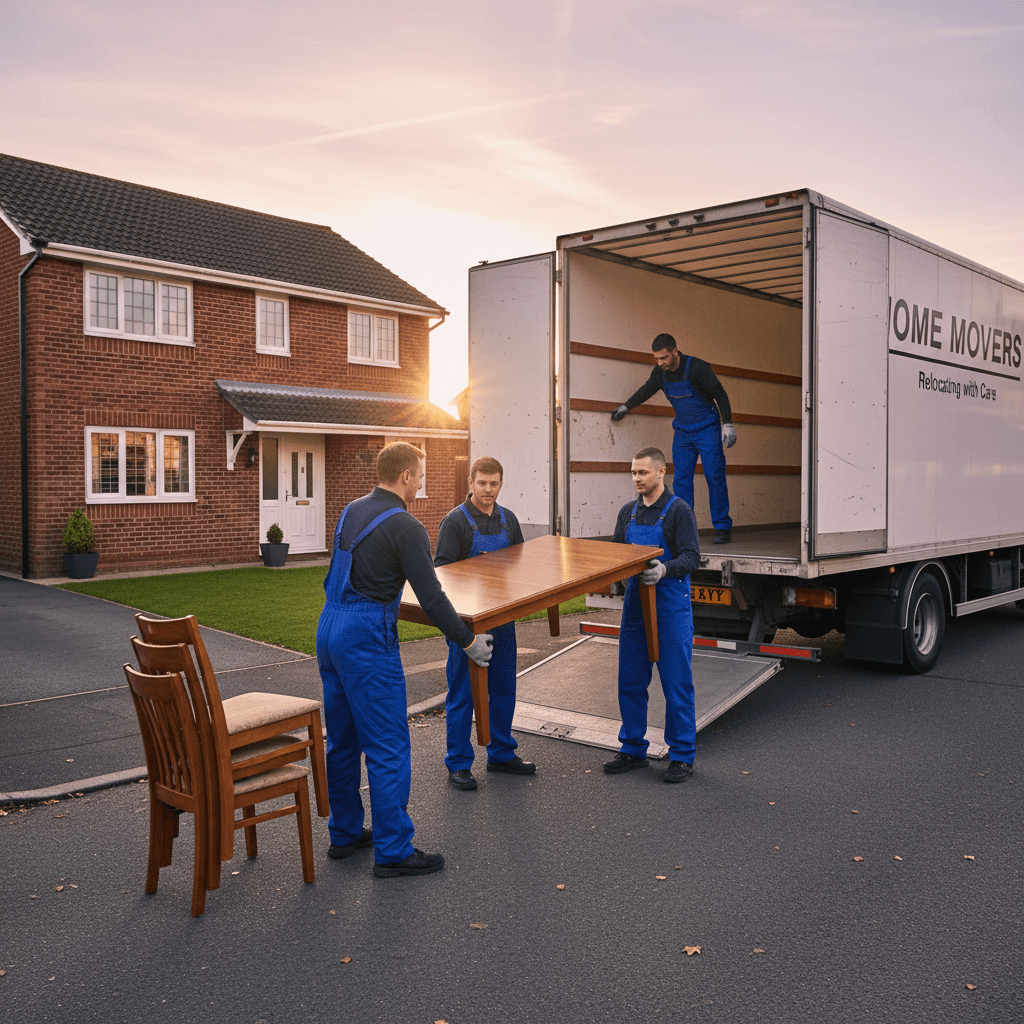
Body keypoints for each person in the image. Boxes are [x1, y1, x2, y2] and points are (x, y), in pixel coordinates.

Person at [316, 442, 493, 878]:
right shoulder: (407, 526)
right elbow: (431, 597)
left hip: (330, 628)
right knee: (388, 745)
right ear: (407, 476)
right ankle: (393, 850)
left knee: (342, 739)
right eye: (422, 475)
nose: (423, 483)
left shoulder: (350, 511)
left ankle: (344, 834)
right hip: (366, 639)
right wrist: (468, 641)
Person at [434, 456, 534, 790]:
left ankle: (502, 754)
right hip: (467, 625)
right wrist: (461, 630)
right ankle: (459, 764)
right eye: (482, 483)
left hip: (502, 619)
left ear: (501, 484)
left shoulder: (509, 520)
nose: (487, 490)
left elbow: (522, 565)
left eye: (493, 484)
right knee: (463, 692)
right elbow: (443, 576)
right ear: (470, 482)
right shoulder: (456, 522)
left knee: (504, 687)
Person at [603, 447, 701, 783]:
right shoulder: (627, 512)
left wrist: (664, 569)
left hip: (669, 605)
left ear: (661, 472)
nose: (636, 479)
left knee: (676, 684)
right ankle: (632, 748)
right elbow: (617, 553)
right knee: (630, 680)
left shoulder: (679, 511)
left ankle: (682, 756)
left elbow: (692, 557)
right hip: (634, 607)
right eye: (633, 473)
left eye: (642, 473)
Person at [611, 333, 736, 544]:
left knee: (714, 476)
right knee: (681, 480)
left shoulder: (697, 368)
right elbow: (647, 390)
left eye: (665, 357)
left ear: (675, 352)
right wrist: (626, 406)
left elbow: (720, 394)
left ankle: (722, 526)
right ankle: (684, 530)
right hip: (683, 433)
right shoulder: (661, 373)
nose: (661, 363)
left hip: (707, 429)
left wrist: (728, 424)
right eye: (657, 359)